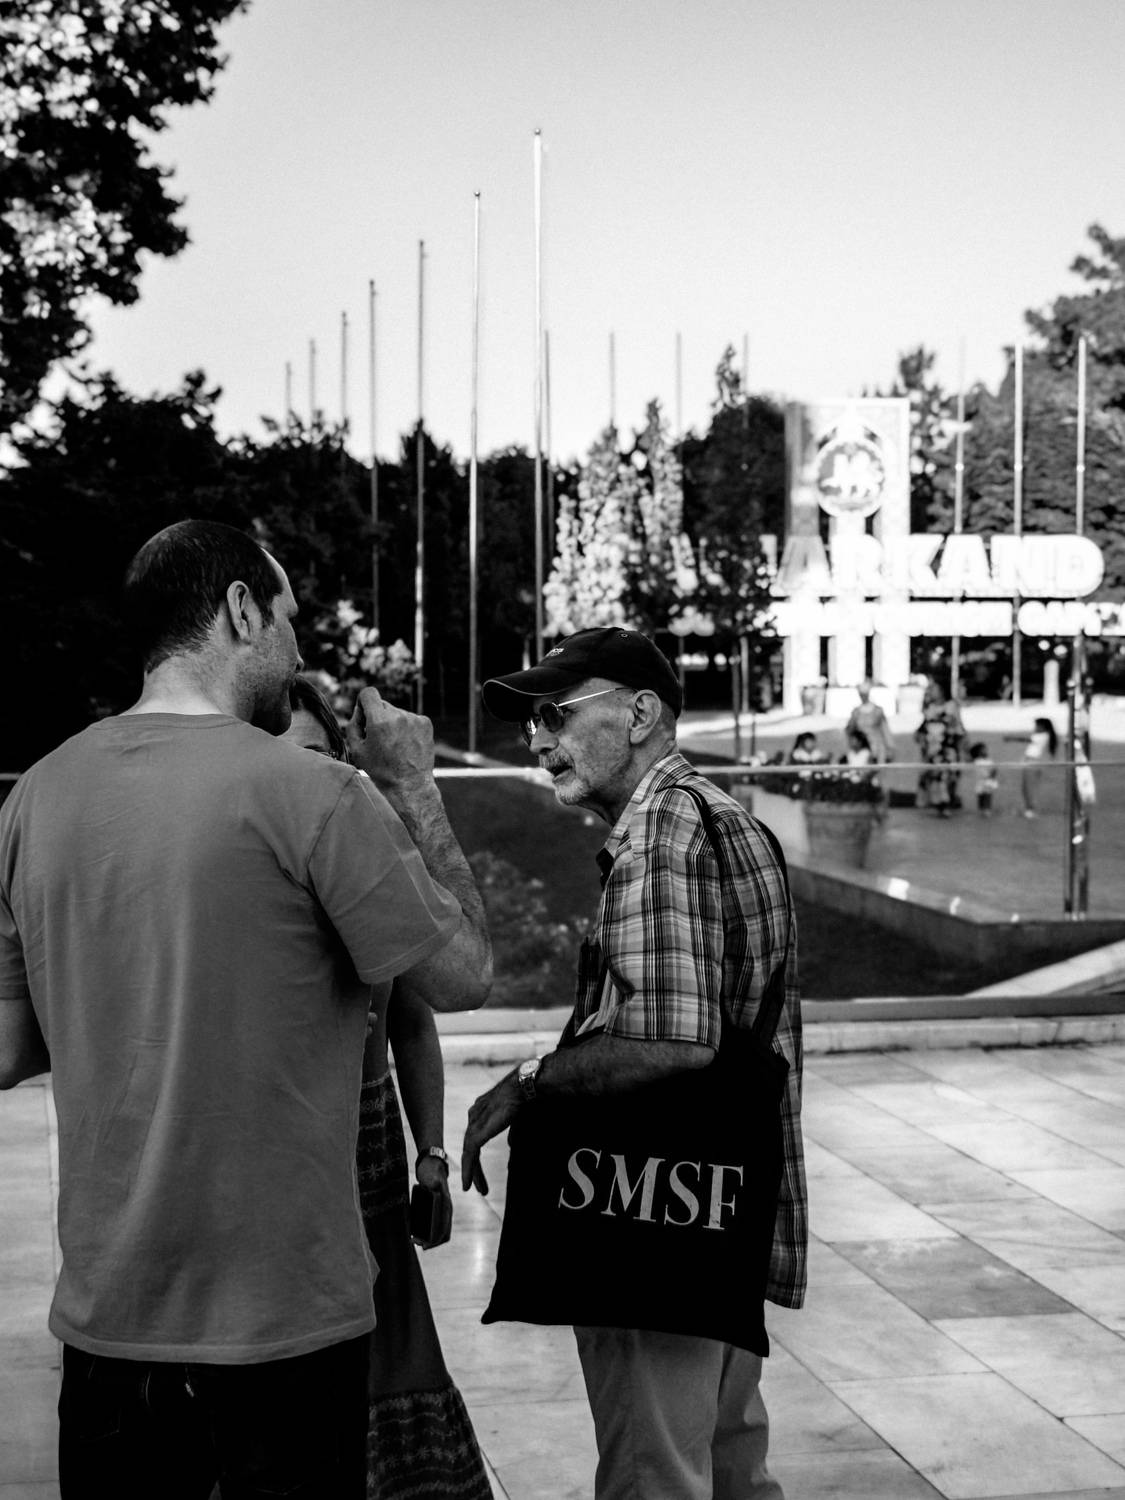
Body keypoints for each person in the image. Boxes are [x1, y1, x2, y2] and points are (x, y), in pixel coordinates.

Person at [0, 519, 491, 1499]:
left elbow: (9, 1049)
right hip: (283, 1330)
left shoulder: (34, 798)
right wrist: (413, 785)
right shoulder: (316, 793)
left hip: (108, 1324)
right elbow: (463, 976)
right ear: (238, 609)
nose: (298, 651)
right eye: (288, 619)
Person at [461, 625, 807, 1500]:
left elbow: (672, 1040)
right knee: (729, 1462)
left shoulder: (659, 835)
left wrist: (529, 1084)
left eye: (556, 713)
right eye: (532, 721)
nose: (536, 738)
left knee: (652, 1475)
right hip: (717, 1211)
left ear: (641, 714)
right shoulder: (719, 814)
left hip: (651, 1220)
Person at [283, 677, 491, 1500]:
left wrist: (431, 1156)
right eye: (281, 759)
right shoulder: (250, 877)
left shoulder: (365, 863)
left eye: (317, 755)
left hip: (369, 1159)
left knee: (393, 1351)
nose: (301, 777)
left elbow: (417, 1015)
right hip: (291, 1162)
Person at [914, 681, 966, 816]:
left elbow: (958, 728)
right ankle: (939, 804)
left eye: (934, 689)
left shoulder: (952, 707)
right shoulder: (930, 708)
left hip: (947, 748)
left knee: (946, 776)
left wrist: (962, 747)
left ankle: (946, 803)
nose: (932, 692)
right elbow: (924, 727)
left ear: (942, 691)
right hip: (932, 749)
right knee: (934, 776)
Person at [845, 679, 895, 763]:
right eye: (861, 695)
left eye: (864, 695)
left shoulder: (878, 711)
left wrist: (890, 747)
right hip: (862, 748)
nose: (863, 697)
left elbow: (885, 730)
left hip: (877, 748)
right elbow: (850, 731)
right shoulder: (856, 712)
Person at [1021, 716, 1058, 818]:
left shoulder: (1042, 736)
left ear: (1042, 726)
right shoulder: (1044, 736)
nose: (1035, 727)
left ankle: (1031, 809)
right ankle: (1029, 808)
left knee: (1029, 787)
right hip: (1031, 762)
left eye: (1037, 725)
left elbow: (1027, 740)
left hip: (1032, 763)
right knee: (1027, 787)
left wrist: (1011, 738)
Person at [969, 741, 999, 817]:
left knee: (988, 795)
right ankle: (982, 808)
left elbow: (994, 769)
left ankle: (987, 809)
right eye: (983, 749)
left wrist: (992, 775)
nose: (986, 751)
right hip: (981, 781)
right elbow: (981, 772)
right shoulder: (977, 761)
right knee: (981, 796)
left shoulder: (989, 760)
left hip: (988, 781)